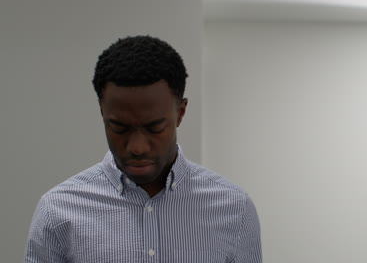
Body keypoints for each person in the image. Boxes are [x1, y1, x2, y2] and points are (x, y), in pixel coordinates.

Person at [25, 35, 262, 262]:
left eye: (154, 127)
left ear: (180, 113)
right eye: (119, 128)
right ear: (102, 113)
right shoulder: (56, 212)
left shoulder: (235, 209)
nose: (137, 147)